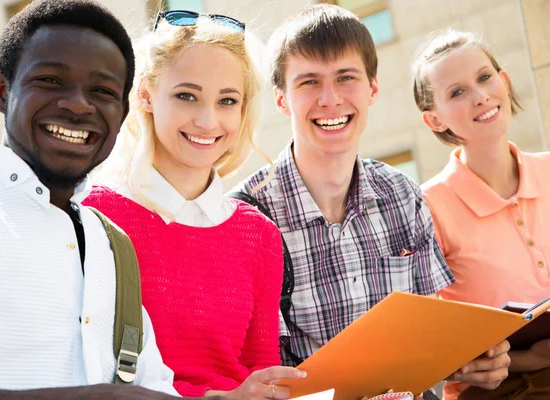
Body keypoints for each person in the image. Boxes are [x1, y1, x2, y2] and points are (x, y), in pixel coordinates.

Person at [232, 4, 511, 398]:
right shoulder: (244, 217)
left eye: (346, 78)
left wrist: (472, 362)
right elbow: (248, 370)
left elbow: (430, 337)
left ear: (373, 88)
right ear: (281, 100)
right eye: (309, 82)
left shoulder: (402, 194)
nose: (330, 99)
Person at [0, 1, 203, 399]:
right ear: (3, 92)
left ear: (121, 113)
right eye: (51, 81)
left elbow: (151, 389)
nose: (78, 104)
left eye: (101, 91)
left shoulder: (114, 245)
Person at [83, 10, 305, 400]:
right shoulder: (97, 214)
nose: (208, 120)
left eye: (227, 101)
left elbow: (263, 374)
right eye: (187, 95)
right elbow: (94, 370)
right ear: (147, 94)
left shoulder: (259, 235)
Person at [414, 30, 550, 400]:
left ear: (503, 81)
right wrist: (527, 358)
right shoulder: (426, 205)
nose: (480, 96)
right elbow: (425, 342)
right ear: (434, 120)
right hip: (500, 390)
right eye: (457, 92)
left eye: (485, 78)